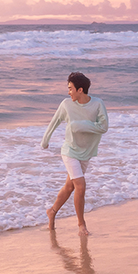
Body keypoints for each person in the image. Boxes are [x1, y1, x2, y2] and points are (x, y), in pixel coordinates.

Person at [41, 72, 108, 236]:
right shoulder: (66, 104)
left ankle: (52, 211)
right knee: (80, 186)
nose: (68, 92)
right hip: (69, 150)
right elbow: (54, 121)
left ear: (80, 90)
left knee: (70, 186)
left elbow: (103, 127)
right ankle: (81, 225)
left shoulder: (98, 104)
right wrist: (45, 140)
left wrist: (80, 125)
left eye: (70, 89)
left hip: (86, 151)